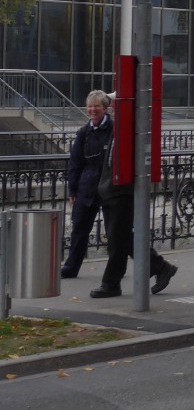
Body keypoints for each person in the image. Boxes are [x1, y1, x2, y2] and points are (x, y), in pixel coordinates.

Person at [86, 91, 178, 298]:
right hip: (113, 189)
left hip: (120, 190)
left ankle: (112, 283)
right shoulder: (119, 126)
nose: (111, 107)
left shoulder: (130, 127)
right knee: (121, 239)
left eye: (115, 105)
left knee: (118, 242)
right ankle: (160, 267)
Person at [62, 92, 112, 278]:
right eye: (89, 106)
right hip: (86, 187)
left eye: (96, 106)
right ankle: (71, 267)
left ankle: (116, 267)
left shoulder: (114, 129)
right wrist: (72, 189)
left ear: (105, 109)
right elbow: (75, 163)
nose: (92, 110)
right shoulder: (83, 132)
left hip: (108, 187)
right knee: (79, 230)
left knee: (114, 231)